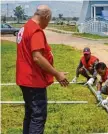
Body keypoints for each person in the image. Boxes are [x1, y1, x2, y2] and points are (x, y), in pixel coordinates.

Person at [16, 5, 69, 134]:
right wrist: (57, 74)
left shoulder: (25, 28)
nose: (47, 24)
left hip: (24, 79)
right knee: (38, 116)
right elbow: (37, 57)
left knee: (30, 114)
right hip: (34, 80)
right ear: (45, 17)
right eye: (48, 21)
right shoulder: (36, 31)